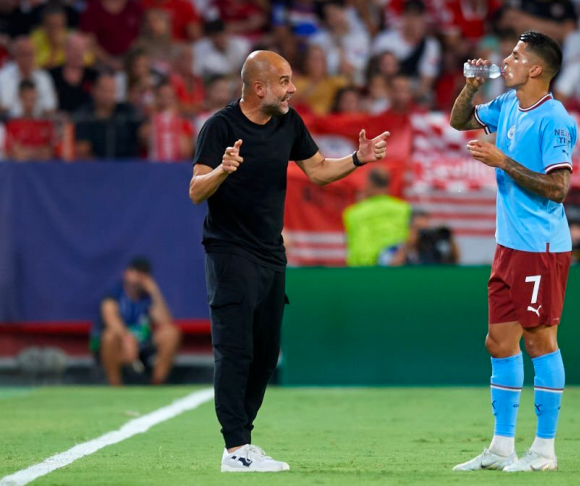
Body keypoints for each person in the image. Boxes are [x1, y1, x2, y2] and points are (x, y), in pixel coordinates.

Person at [189, 50, 390, 473]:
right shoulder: (220, 127)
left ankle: (245, 442)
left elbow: (317, 170)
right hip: (229, 251)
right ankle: (234, 448)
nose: (292, 88)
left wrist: (357, 159)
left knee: (265, 352)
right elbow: (195, 190)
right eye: (284, 81)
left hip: (270, 254)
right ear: (258, 87)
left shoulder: (288, 122)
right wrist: (222, 170)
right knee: (235, 349)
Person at [449, 31, 577, 472]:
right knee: (500, 342)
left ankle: (543, 450)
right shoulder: (506, 105)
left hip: (540, 247)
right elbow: (458, 121)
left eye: (517, 56)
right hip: (508, 246)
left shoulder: (555, 119)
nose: (507, 59)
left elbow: (558, 189)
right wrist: (471, 85)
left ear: (536, 69)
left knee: (540, 340)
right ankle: (502, 447)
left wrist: (502, 160)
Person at [92, 257, 181, 386]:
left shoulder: (147, 298)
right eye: (133, 272)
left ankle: (157, 383)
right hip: (118, 345)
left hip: (141, 345)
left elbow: (165, 321)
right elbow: (111, 319)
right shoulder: (114, 294)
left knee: (172, 333)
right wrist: (127, 338)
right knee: (109, 336)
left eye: (142, 274)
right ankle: (115, 385)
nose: (136, 278)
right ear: (126, 273)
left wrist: (154, 291)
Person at [343, 166, 411, 267]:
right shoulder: (404, 209)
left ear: (370, 184)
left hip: (362, 272)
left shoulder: (353, 213)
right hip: (394, 271)